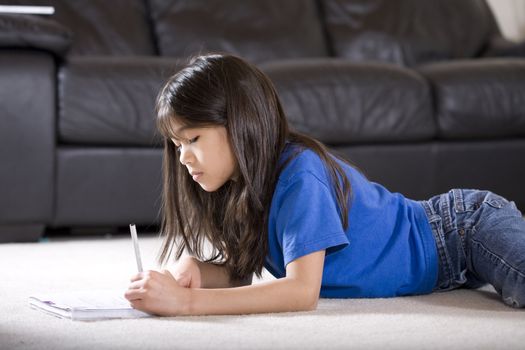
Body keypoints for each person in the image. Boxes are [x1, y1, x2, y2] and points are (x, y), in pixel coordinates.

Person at [124, 54, 525, 316]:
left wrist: (188, 303)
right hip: (442, 267)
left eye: (193, 139)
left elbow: (300, 292)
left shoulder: (299, 173)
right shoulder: (235, 187)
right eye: (176, 145)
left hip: (461, 231)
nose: (183, 157)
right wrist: (199, 270)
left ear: (241, 124)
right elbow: (243, 274)